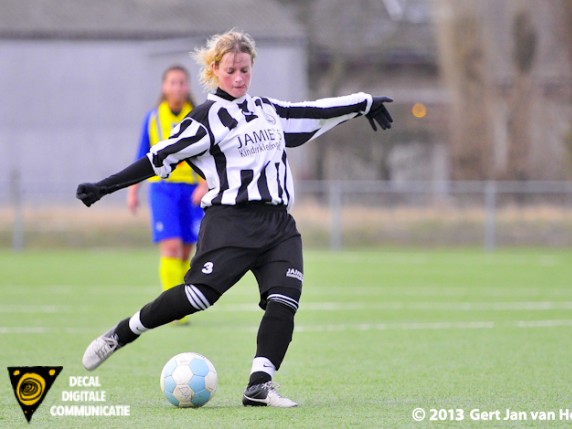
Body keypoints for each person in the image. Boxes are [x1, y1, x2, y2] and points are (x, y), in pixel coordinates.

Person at [76, 29, 393, 408]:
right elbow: (157, 158)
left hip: (279, 226)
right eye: (231, 70)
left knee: (285, 299)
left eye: (245, 69)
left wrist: (364, 102)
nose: (239, 78)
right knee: (196, 297)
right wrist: (103, 187)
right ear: (214, 69)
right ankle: (123, 333)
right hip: (231, 223)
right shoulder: (204, 120)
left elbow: (315, 111)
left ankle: (259, 385)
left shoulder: (268, 110)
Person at [127, 65, 208, 325]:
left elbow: (207, 155)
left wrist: (204, 185)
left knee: (186, 252)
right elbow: (142, 156)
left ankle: (181, 301)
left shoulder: (196, 118)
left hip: (191, 192)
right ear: (164, 87)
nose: (177, 87)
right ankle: (174, 310)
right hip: (163, 191)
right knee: (171, 247)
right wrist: (133, 191)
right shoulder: (153, 119)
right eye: (173, 82)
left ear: (188, 87)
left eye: (182, 82)